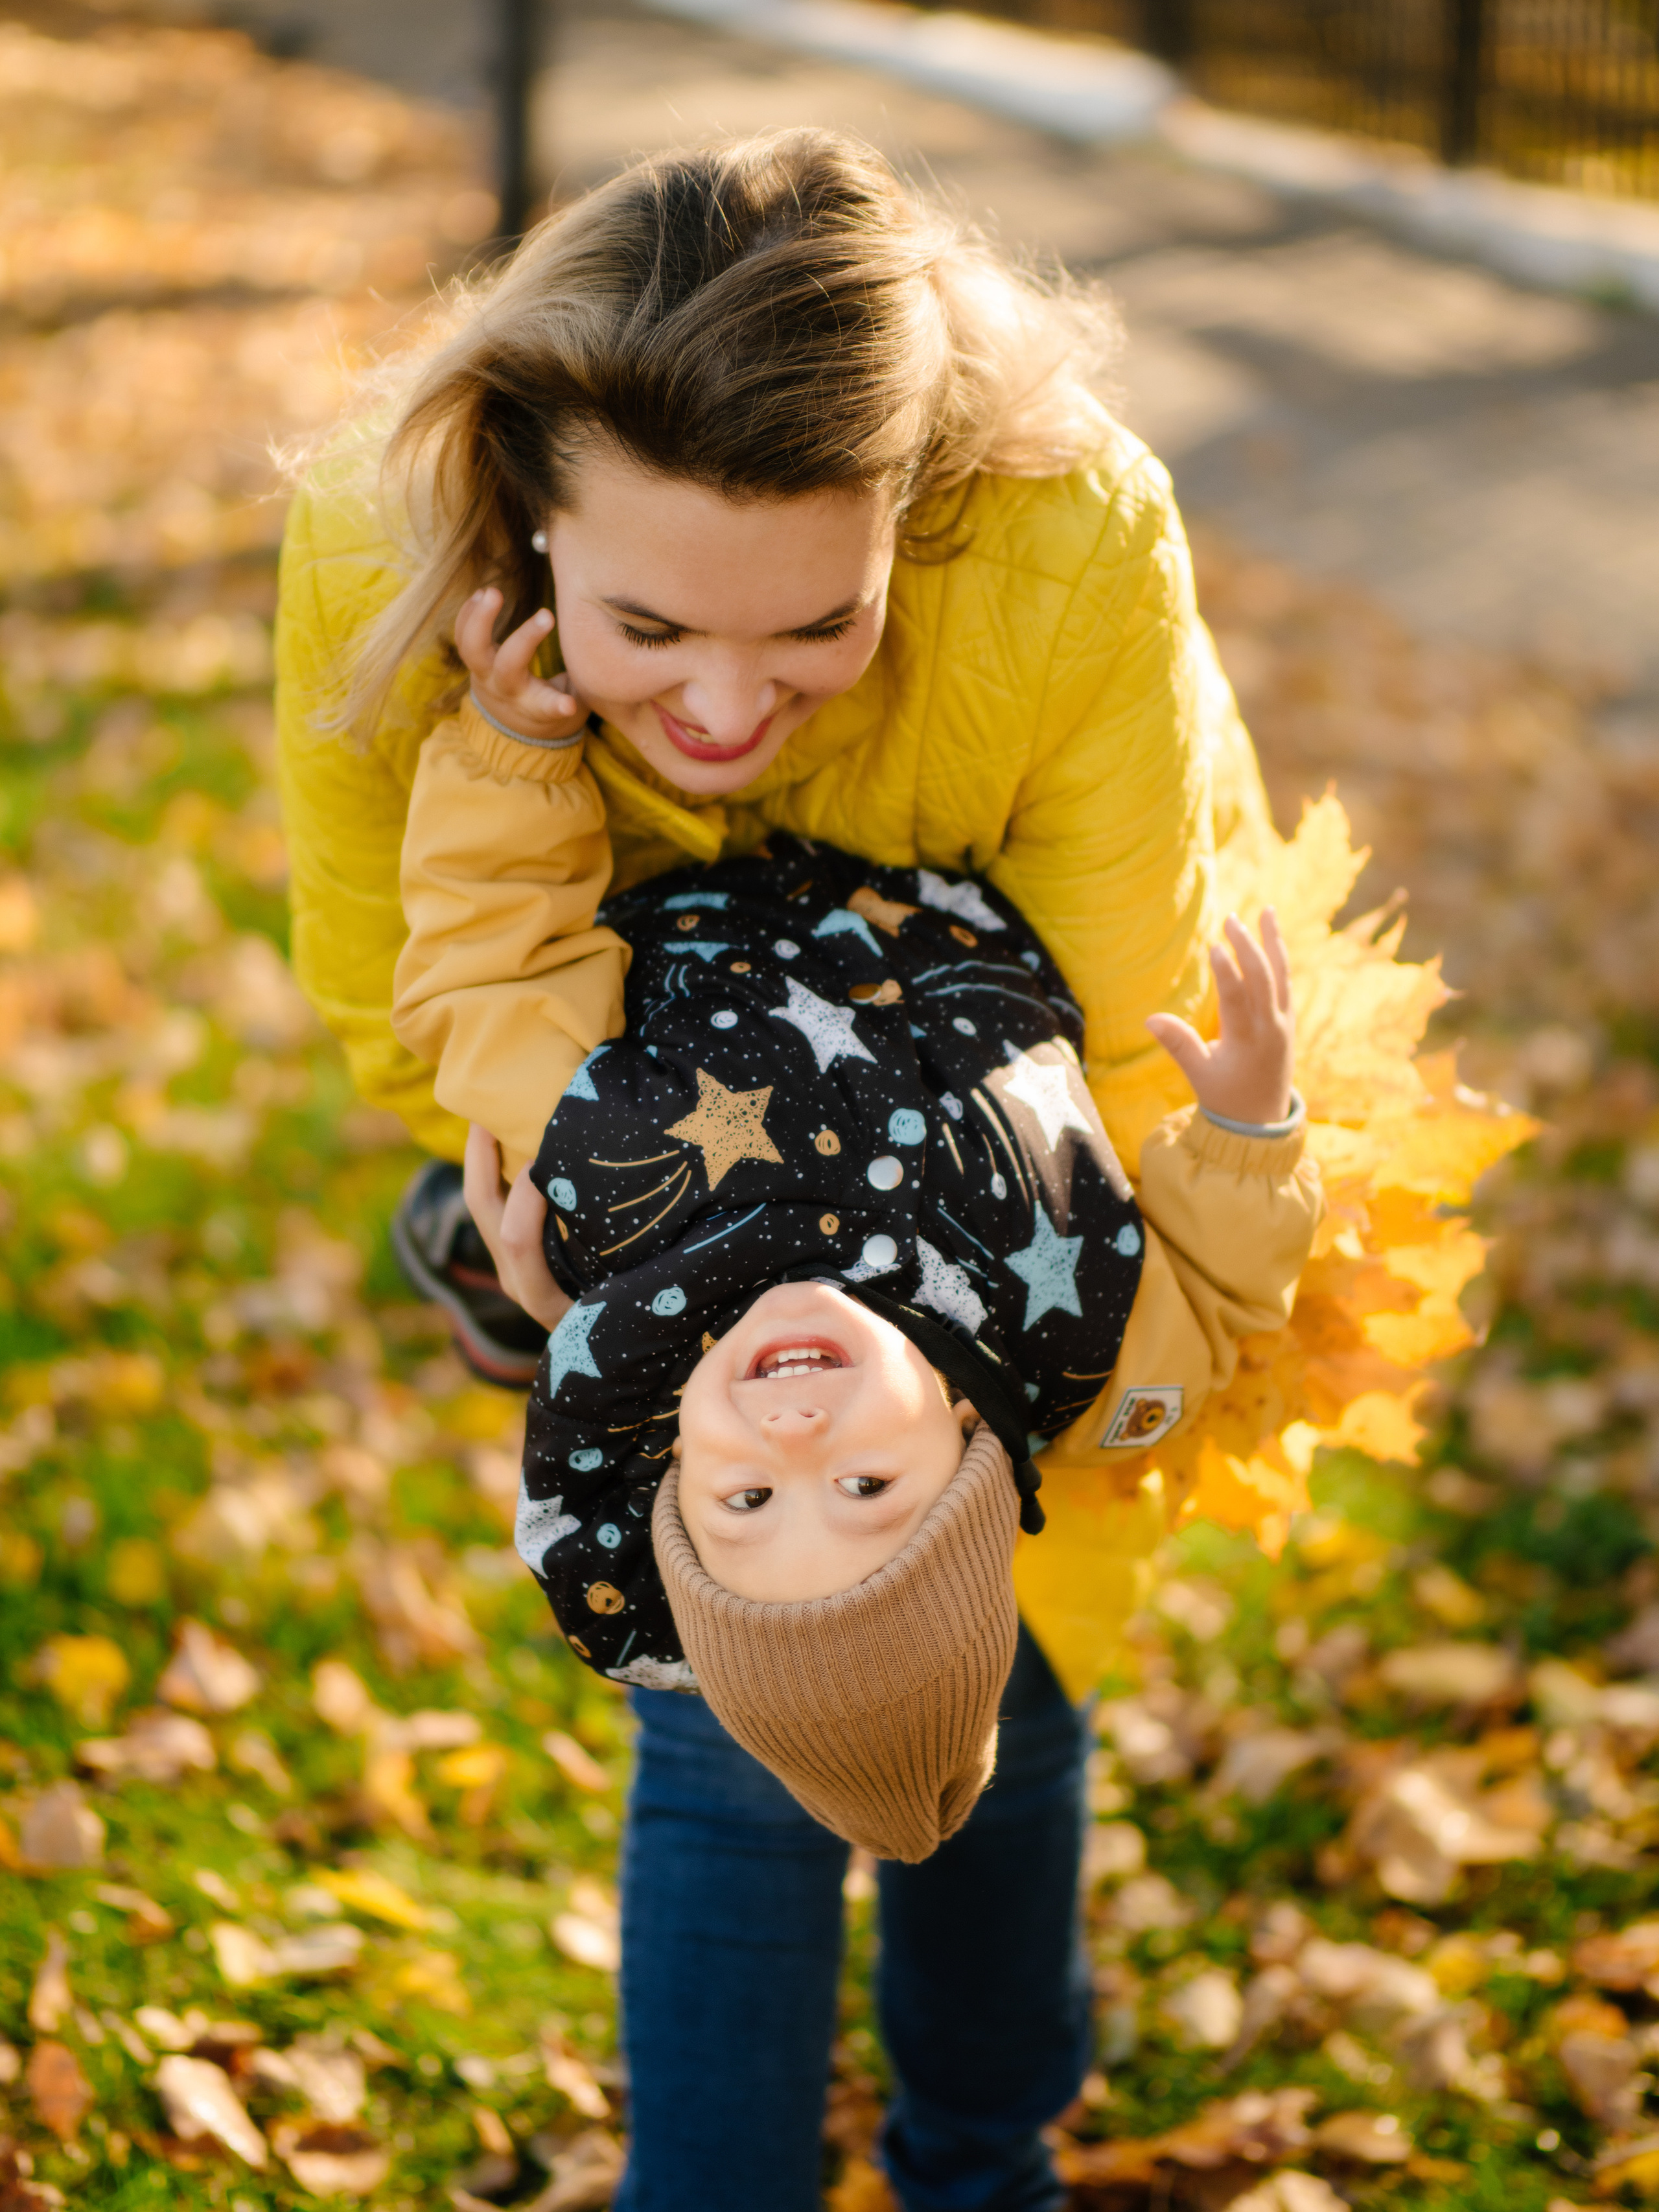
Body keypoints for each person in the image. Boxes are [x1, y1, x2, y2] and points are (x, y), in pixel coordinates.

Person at [272, 128, 1275, 2212]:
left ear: (913, 516)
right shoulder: (384, 564)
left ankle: (975, 2138)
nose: (725, 709)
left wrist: (962, 1365)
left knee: (994, 1684)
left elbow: (1132, 1031)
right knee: (743, 1714)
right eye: (647, 624)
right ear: (529, 517)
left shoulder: (1071, 545)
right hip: (628, 1219)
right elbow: (417, 991)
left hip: (976, 1215)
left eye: (815, 626)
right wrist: (595, 1221)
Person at [506, 838, 1319, 1878]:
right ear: (969, 1454)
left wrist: (556, 1295)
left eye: (747, 1501)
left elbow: (496, 983)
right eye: (864, 1485)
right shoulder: (1080, 1349)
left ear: (675, 1462)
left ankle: (446, 1247)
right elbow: (1221, 1297)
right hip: (947, 869)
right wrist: (1246, 1125)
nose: (794, 1438)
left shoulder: (635, 1265)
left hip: (676, 864)